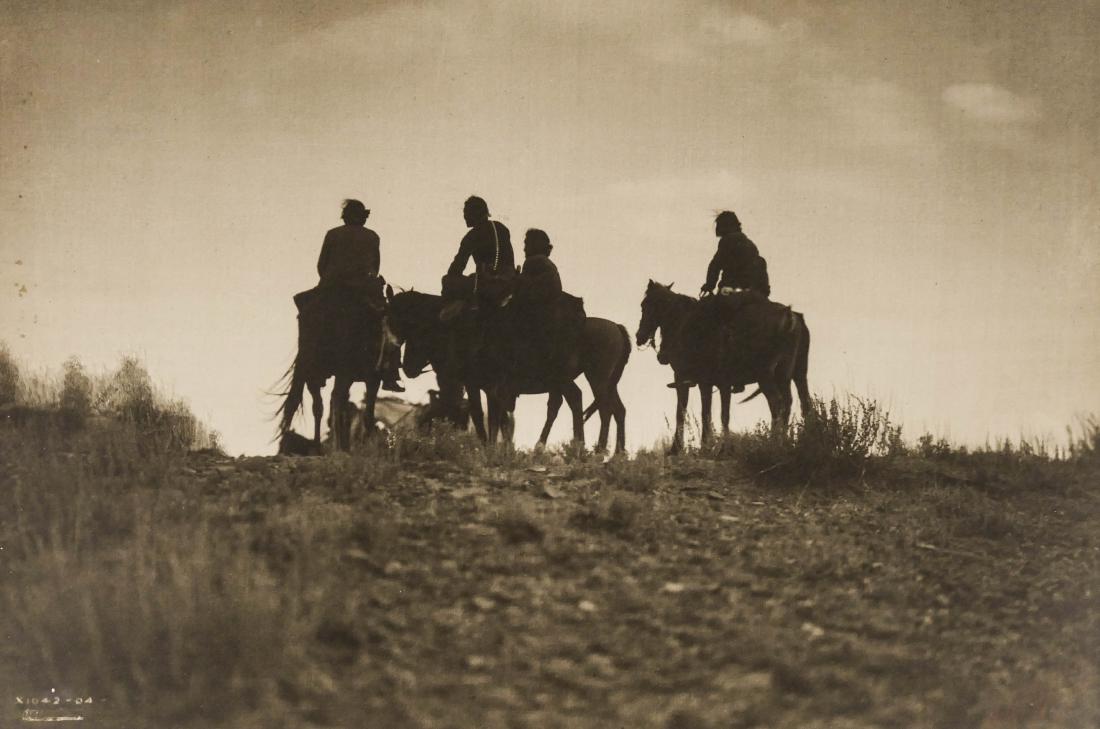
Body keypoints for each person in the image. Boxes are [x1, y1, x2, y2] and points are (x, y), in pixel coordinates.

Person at [310, 199, 404, 392]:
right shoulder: (372, 237)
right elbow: (375, 268)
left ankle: (316, 367)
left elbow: (321, 266)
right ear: (362, 217)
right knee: (389, 321)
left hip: (332, 290)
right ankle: (391, 373)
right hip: (363, 291)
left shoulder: (332, 234)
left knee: (315, 322)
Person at [441, 196, 516, 316]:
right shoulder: (501, 228)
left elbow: (456, 268)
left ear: (474, 214)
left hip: (487, 283)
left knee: (447, 280)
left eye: (466, 212)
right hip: (509, 280)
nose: (464, 216)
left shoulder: (472, 236)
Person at [700, 210, 770, 298]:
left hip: (732, 291)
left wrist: (709, 285)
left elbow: (715, 265)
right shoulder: (750, 244)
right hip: (755, 292)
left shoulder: (727, 240)